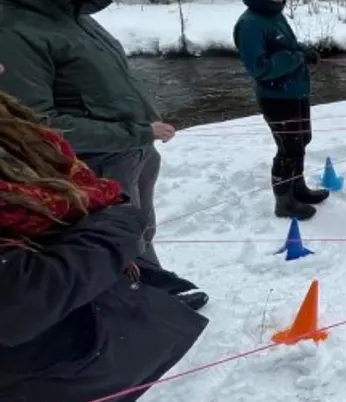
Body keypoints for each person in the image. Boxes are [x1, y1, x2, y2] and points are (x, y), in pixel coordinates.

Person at [0, 83, 208, 402]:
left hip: (81, 345)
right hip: (47, 368)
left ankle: (151, 289)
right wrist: (119, 223)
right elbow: (21, 298)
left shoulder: (14, 121)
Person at [0, 0, 174, 268]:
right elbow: (37, 128)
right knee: (113, 243)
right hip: (93, 165)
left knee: (139, 228)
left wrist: (141, 132)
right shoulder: (13, 33)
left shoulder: (75, 17)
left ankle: (156, 288)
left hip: (133, 150)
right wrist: (136, 132)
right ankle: (135, 307)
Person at [233, 0, 326, 220]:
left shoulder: (274, 15)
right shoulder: (250, 24)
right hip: (277, 98)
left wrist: (302, 51)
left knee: (301, 141)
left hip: (295, 92)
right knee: (288, 148)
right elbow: (259, 68)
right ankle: (284, 201)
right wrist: (296, 59)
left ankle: (298, 188)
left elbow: (288, 46)